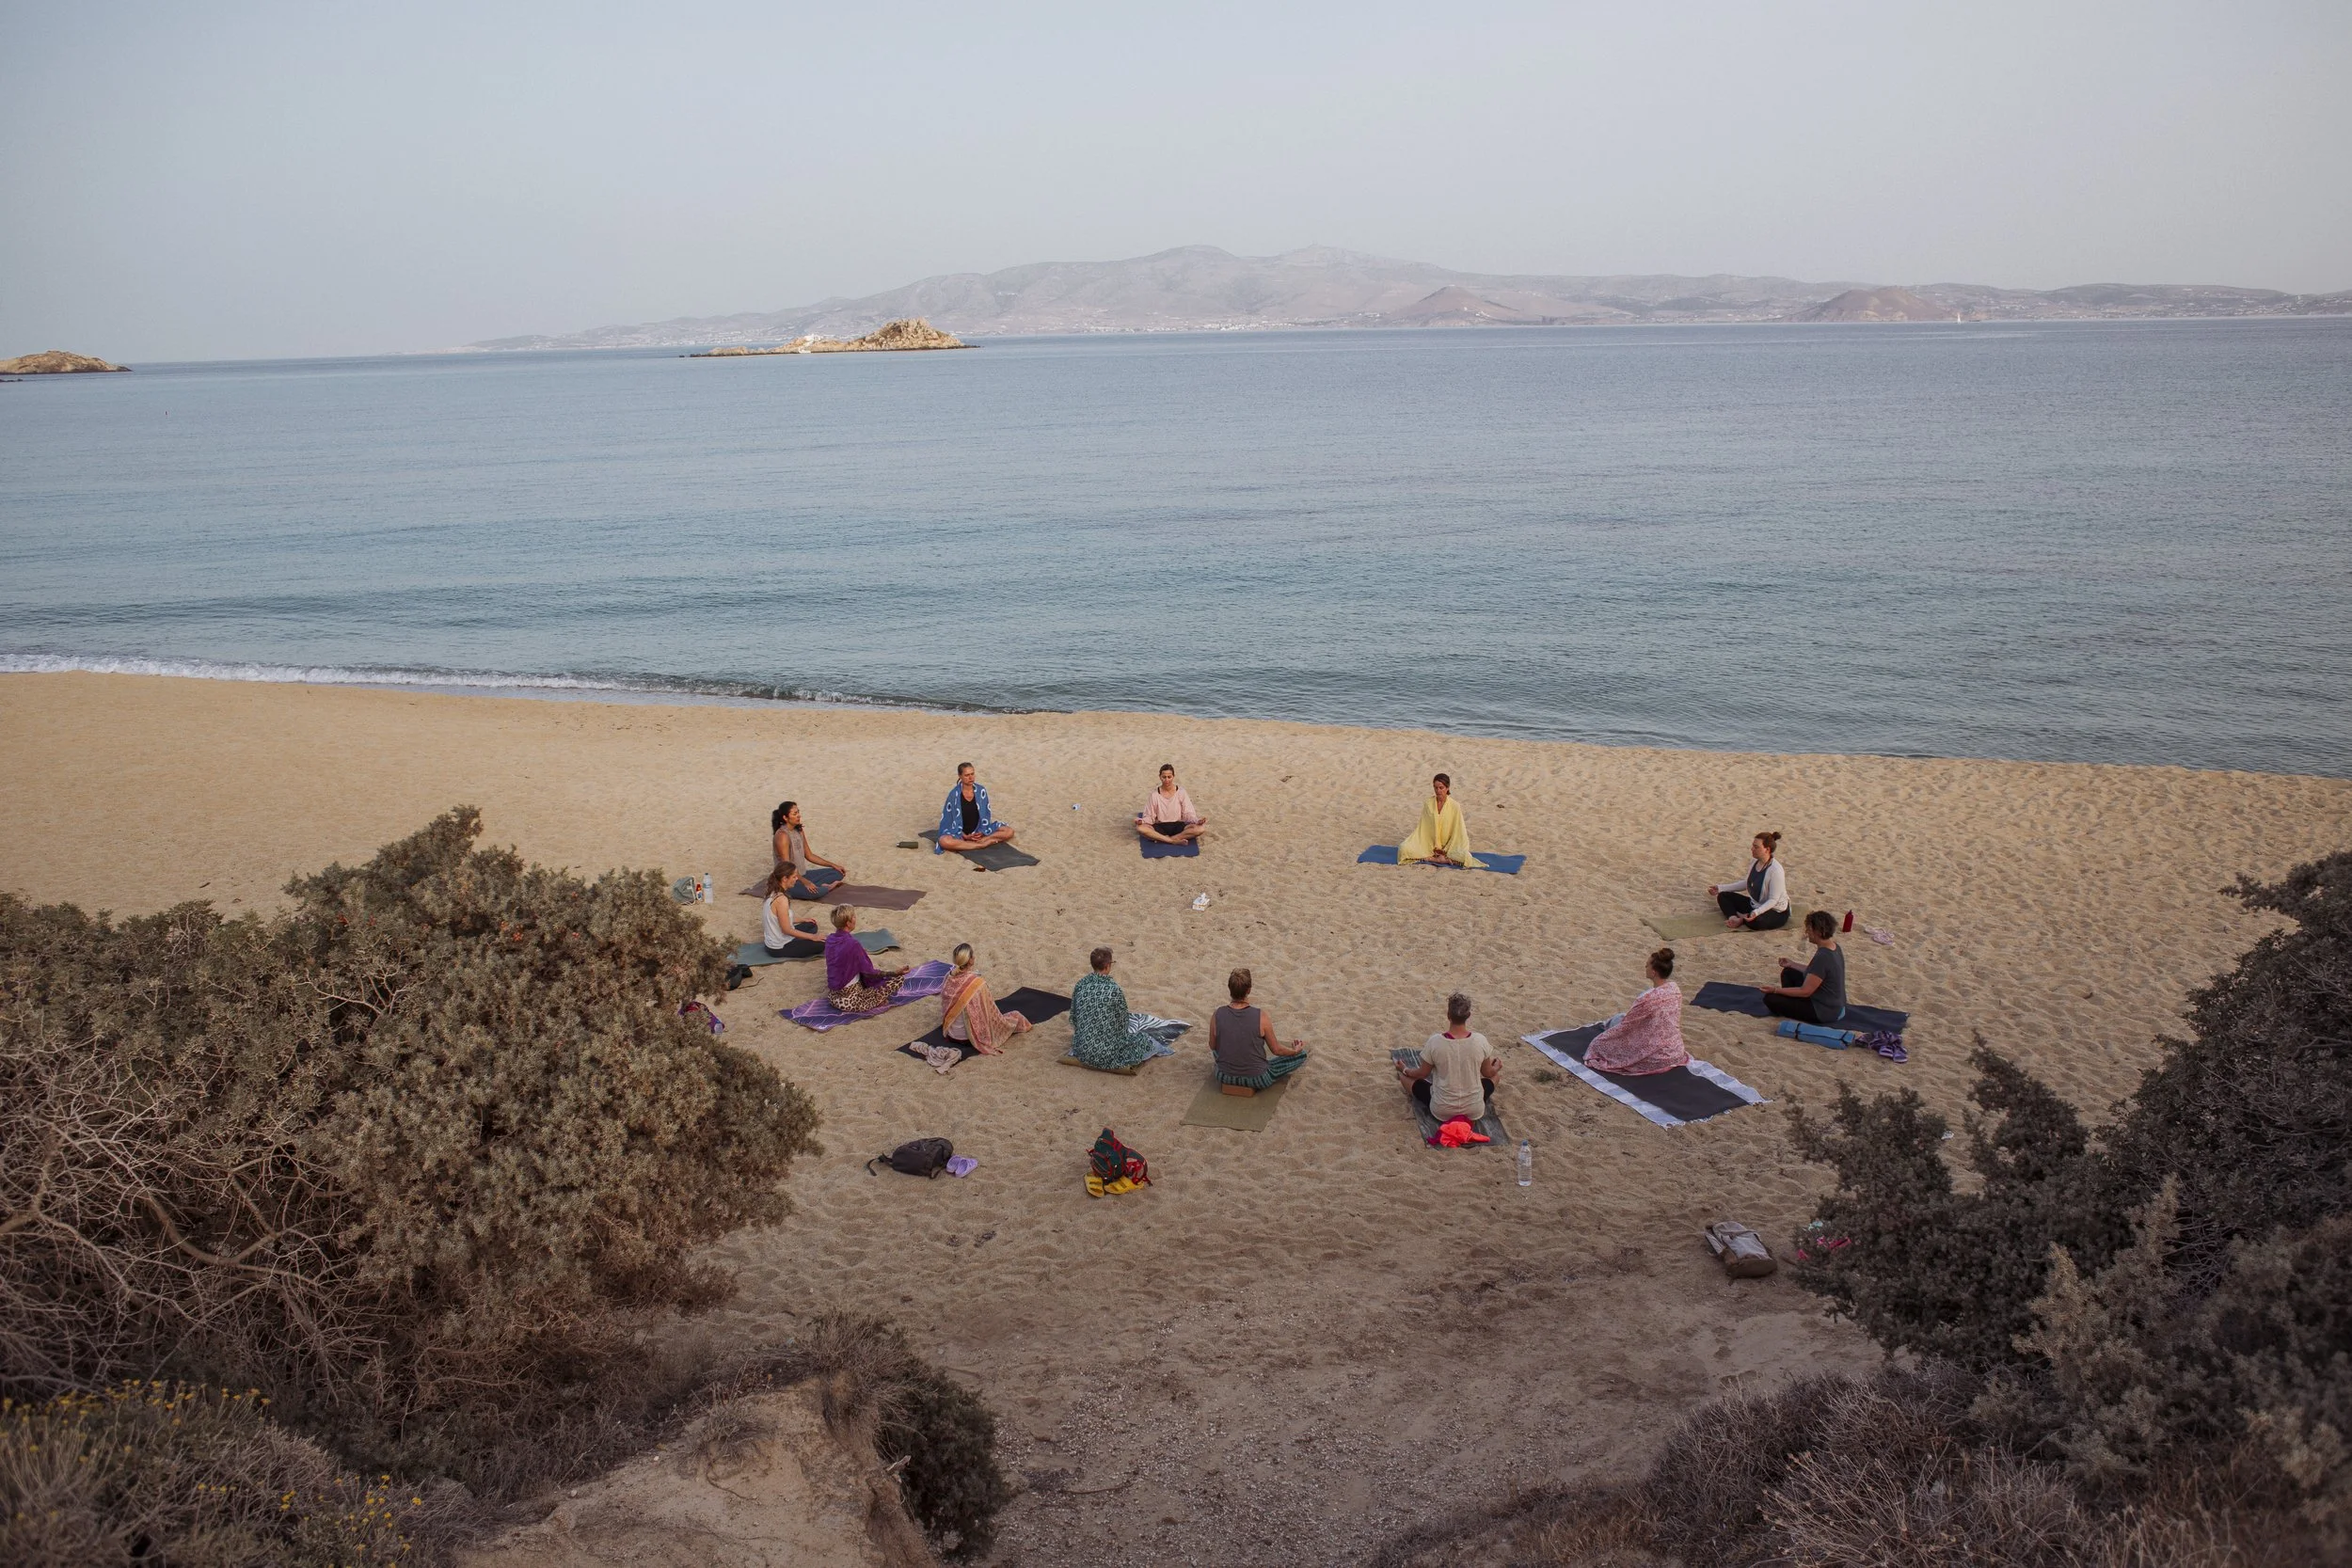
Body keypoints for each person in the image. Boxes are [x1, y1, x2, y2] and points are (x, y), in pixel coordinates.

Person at [1395, 992, 1500, 1121]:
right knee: (1496, 1076)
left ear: (1448, 1015)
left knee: (1404, 1078)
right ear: (1468, 1016)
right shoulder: (1480, 1040)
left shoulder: (1435, 1042)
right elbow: (1488, 1073)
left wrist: (1405, 1069)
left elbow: (1422, 1073)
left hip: (1442, 1109)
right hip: (1474, 1109)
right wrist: (1496, 1067)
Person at [1585, 949, 1691, 1074]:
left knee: (1603, 1039)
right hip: (1675, 1051)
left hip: (1657, 1057)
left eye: (1647, 965)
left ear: (1653, 972)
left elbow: (1626, 1025)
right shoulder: (1675, 990)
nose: (1645, 967)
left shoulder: (1647, 998)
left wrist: (1599, 1042)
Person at [1210, 967, 1308, 1091]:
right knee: (1301, 1055)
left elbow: (1213, 1046)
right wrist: (1295, 1051)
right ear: (1249, 990)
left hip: (1224, 1076)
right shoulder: (1261, 1016)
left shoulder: (1217, 1014)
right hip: (1257, 1078)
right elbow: (1276, 1050)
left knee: (1216, 1053)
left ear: (1229, 988)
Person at [1070, 946, 1161, 1069]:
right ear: (1107, 966)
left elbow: (1074, 1017)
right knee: (1144, 1041)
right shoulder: (1113, 989)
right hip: (1107, 1055)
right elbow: (1122, 1022)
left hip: (1083, 1050)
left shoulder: (1080, 984)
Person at [939, 942, 1030, 1054]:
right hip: (968, 1039)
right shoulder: (977, 983)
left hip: (951, 1035)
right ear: (970, 960)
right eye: (973, 956)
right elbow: (989, 1011)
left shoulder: (948, 977)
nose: (974, 957)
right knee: (1015, 1016)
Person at [1763, 911, 1848, 1024]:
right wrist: (1792, 964)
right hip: (1833, 1004)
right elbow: (1816, 973)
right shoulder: (1834, 947)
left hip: (1825, 1011)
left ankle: (1793, 1004)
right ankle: (1793, 1002)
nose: (1806, 932)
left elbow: (1805, 991)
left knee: (1770, 999)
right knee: (1789, 972)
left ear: (1817, 931)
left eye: (1808, 929)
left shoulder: (1823, 956)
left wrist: (1775, 990)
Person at [823, 906, 909, 1013]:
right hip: (851, 1000)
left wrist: (859, 953)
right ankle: (876, 1001)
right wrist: (894, 973)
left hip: (833, 997)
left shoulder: (830, 939)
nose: (855, 918)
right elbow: (869, 973)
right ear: (848, 923)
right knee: (898, 979)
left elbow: (840, 959)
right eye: (853, 916)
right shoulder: (853, 944)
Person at [1709, 832, 1789, 931]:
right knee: (1723, 896)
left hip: (1775, 910)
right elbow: (1747, 883)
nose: (1752, 849)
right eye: (1753, 846)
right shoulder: (1754, 862)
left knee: (1758, 922)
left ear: (1767, 849)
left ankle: (1743, 919)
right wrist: (1720, 888)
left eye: (1756, 847)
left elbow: (1773, 900)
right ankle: (1734, 918)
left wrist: (1756, 912)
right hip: (1755, 905)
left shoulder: (1776, 870)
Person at [772, 800, 846, 899]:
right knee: (815, 893)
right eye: (795, 814)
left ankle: (817, 885)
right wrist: (805, 882)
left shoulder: (799, 830)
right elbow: (787, 867)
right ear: (785, 818)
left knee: (838, 873)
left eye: (798, 812)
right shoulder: (782, 836)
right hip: (788, 881)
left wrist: (833, 865)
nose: (798, 815)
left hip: (802, 874)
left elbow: (809, 855)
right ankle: (826, 887)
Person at [936, 763, 1017, 852]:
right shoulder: (954, 795)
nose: (971, 778)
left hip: (979, 831)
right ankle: (979, 845)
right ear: (960, 776)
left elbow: (985, 815)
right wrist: (965, 835)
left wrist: (982, 832)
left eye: (972, 774)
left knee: (1009, 831)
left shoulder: (981, 790)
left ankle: (984, 841)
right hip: (960, 833)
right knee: (943, 841)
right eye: (967, 775)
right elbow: (950, 820)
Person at [1398, 773, 1472, 866]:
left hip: (1449, 846)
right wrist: (1433, 847)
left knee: (1466, 857)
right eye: (1435, 788)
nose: (1438, 791)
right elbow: (1423, 828)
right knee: (1403, 848)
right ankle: (1435, 858)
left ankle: (1437, 858)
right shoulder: (1428, 803)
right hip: (1429, 844)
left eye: (1441, 788)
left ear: (1447, 788)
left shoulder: (1455, 806)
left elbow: (1458, 830)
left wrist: (1445, 849)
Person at [760, 863, 824, 957]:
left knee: (811, 925)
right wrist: (812, 937)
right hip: (779, 947)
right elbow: (786, 930)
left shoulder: (772, 891)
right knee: (821, 944)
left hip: (775, 940)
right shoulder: (781, 900)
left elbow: (782, 917)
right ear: (784, 879)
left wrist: (803, 920)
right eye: (794, 877)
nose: (797, 879)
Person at [1136, 764, 1207, 844]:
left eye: (1169, 777)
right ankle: (1172, 841)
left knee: (1200, 829)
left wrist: (1197, 821)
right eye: (1164, 777)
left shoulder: (1181, 792)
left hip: (1178, 825)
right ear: (1160, 777)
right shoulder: (1154, 795)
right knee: (1141, 828)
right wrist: (1141, 821)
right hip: (1160, 826)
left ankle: (1168, 839)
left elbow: (1188, 813)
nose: (1166, 780)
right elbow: (1150, 816)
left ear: (1173, 776)